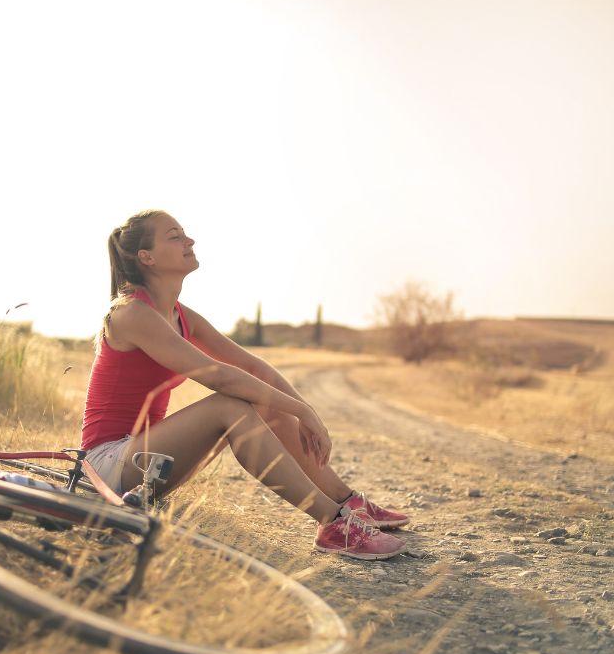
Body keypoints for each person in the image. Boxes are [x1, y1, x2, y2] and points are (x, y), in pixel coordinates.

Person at [80, 210, 411, 560]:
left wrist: (303, 411)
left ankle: (347, 503)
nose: (188, 240)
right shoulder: (131, 313)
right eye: (174, 236)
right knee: (230, 405)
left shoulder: (180, 315)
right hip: (105, 466)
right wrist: (300, 410)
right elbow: (218, 375)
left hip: (148, 462)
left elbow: (252, 365)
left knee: (267, 401)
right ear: (146, 257)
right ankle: (332, 523)